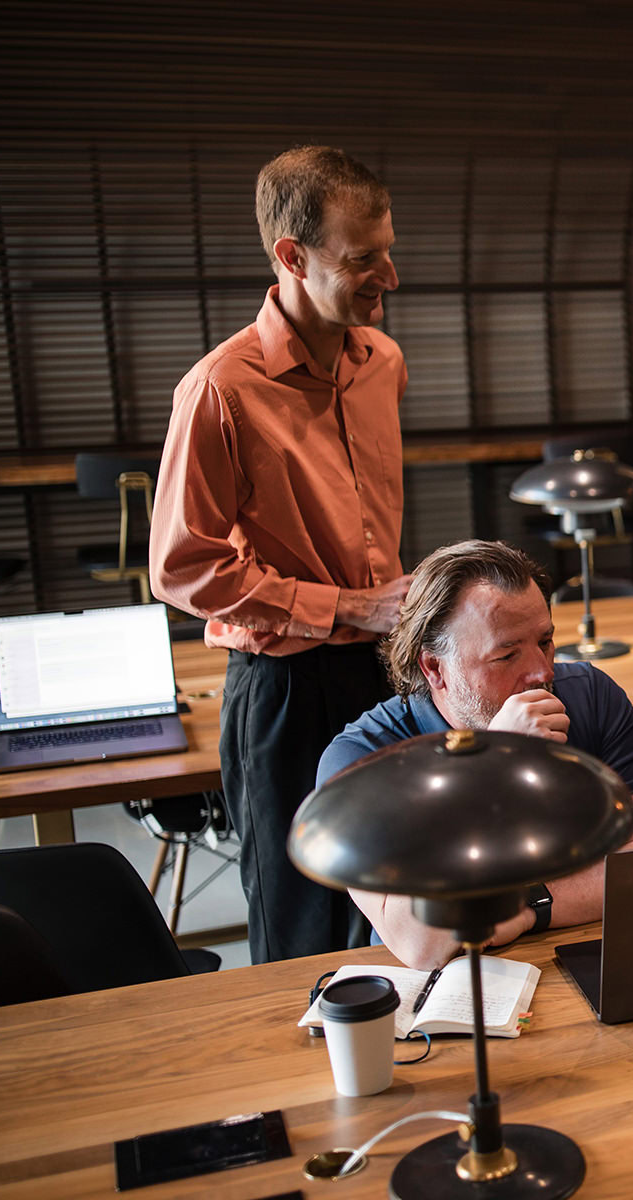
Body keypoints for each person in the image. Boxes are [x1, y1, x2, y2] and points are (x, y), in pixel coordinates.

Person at [151, 146, 411, 963]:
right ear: (291, 257)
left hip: (384, 669)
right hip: (286, 688)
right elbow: (181, 566)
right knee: (302, 928)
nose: (389, 277)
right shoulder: (220, 390)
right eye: (363, 258)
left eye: (390, 249)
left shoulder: (385, 364)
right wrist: (347, 606)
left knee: (399, 908)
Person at [317, 540, 633, 970]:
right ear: (434, 668)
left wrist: (527, 906)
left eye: (545, 641)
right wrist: (491, 767)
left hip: (590, 951)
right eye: (506, 655)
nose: (542, 671)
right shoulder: (363, 758)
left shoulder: (589, 696)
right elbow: (420, 941)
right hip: (455, 991)